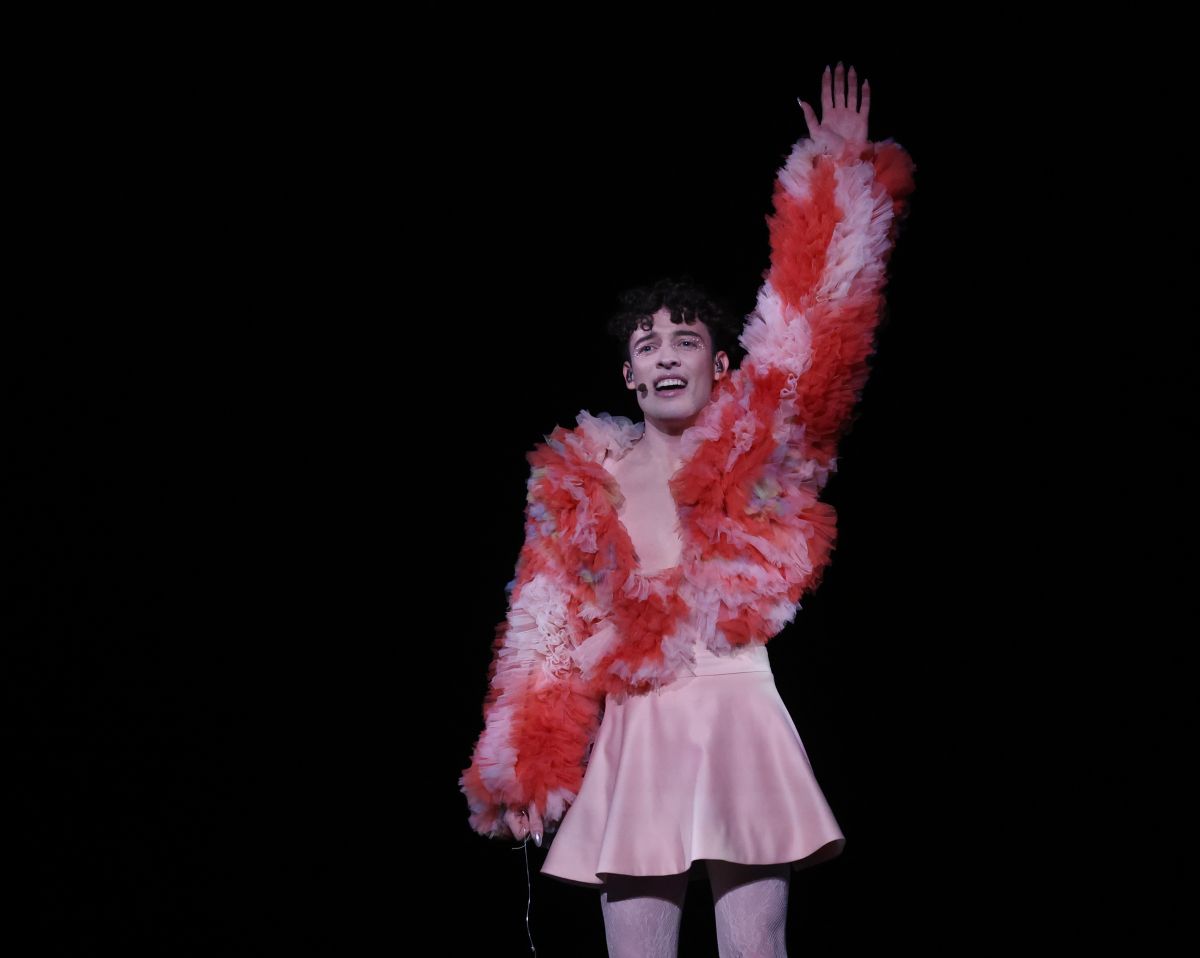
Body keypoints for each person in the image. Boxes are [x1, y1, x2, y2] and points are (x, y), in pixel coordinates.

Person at [459, 62, 916, 957]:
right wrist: (523, 770)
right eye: (648, 344)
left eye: (686, 339)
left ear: (719, 363)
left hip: (737, 713)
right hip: (638, 730)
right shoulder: (577, 485)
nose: (666, 355)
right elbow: (543, 625)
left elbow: (818, 333)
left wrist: (836, 179)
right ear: (629, 372)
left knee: (756, 949)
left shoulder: (758, 454)